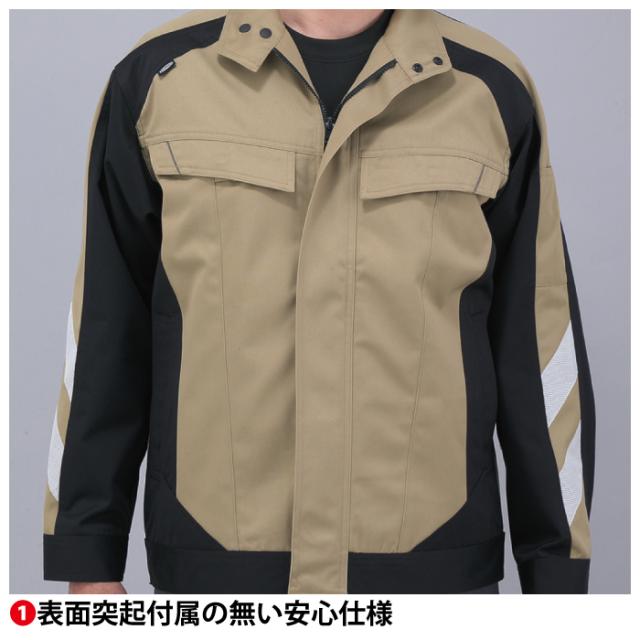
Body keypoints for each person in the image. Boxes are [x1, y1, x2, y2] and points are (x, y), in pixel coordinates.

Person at [43, 9, 595, 595]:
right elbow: (107, 328)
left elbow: (537, 343)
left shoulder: (485, 86)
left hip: (431, 569)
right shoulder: (163, 76)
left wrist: (556, 580)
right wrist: (88, 559)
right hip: (219, 568)